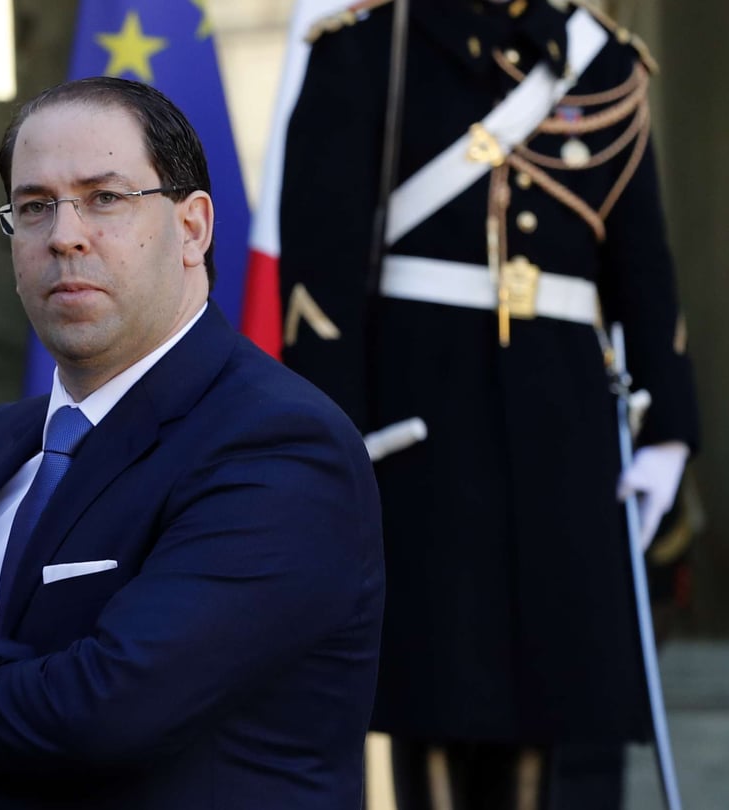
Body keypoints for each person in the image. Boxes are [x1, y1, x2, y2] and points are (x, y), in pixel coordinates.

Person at [0, 76, 385, 809]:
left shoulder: (277, 445)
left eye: (105, 198)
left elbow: (105, 713)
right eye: (34, 207)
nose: (64, 234)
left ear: (192, 228)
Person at [278, 0, 699, 808]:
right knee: (431, 687)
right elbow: (319, 273)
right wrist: (334, 441)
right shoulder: (371, 44)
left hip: (563, 424)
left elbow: (642, 260)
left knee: (551, 687)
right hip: (420, 421)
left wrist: (668, 431)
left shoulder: (600, 59)